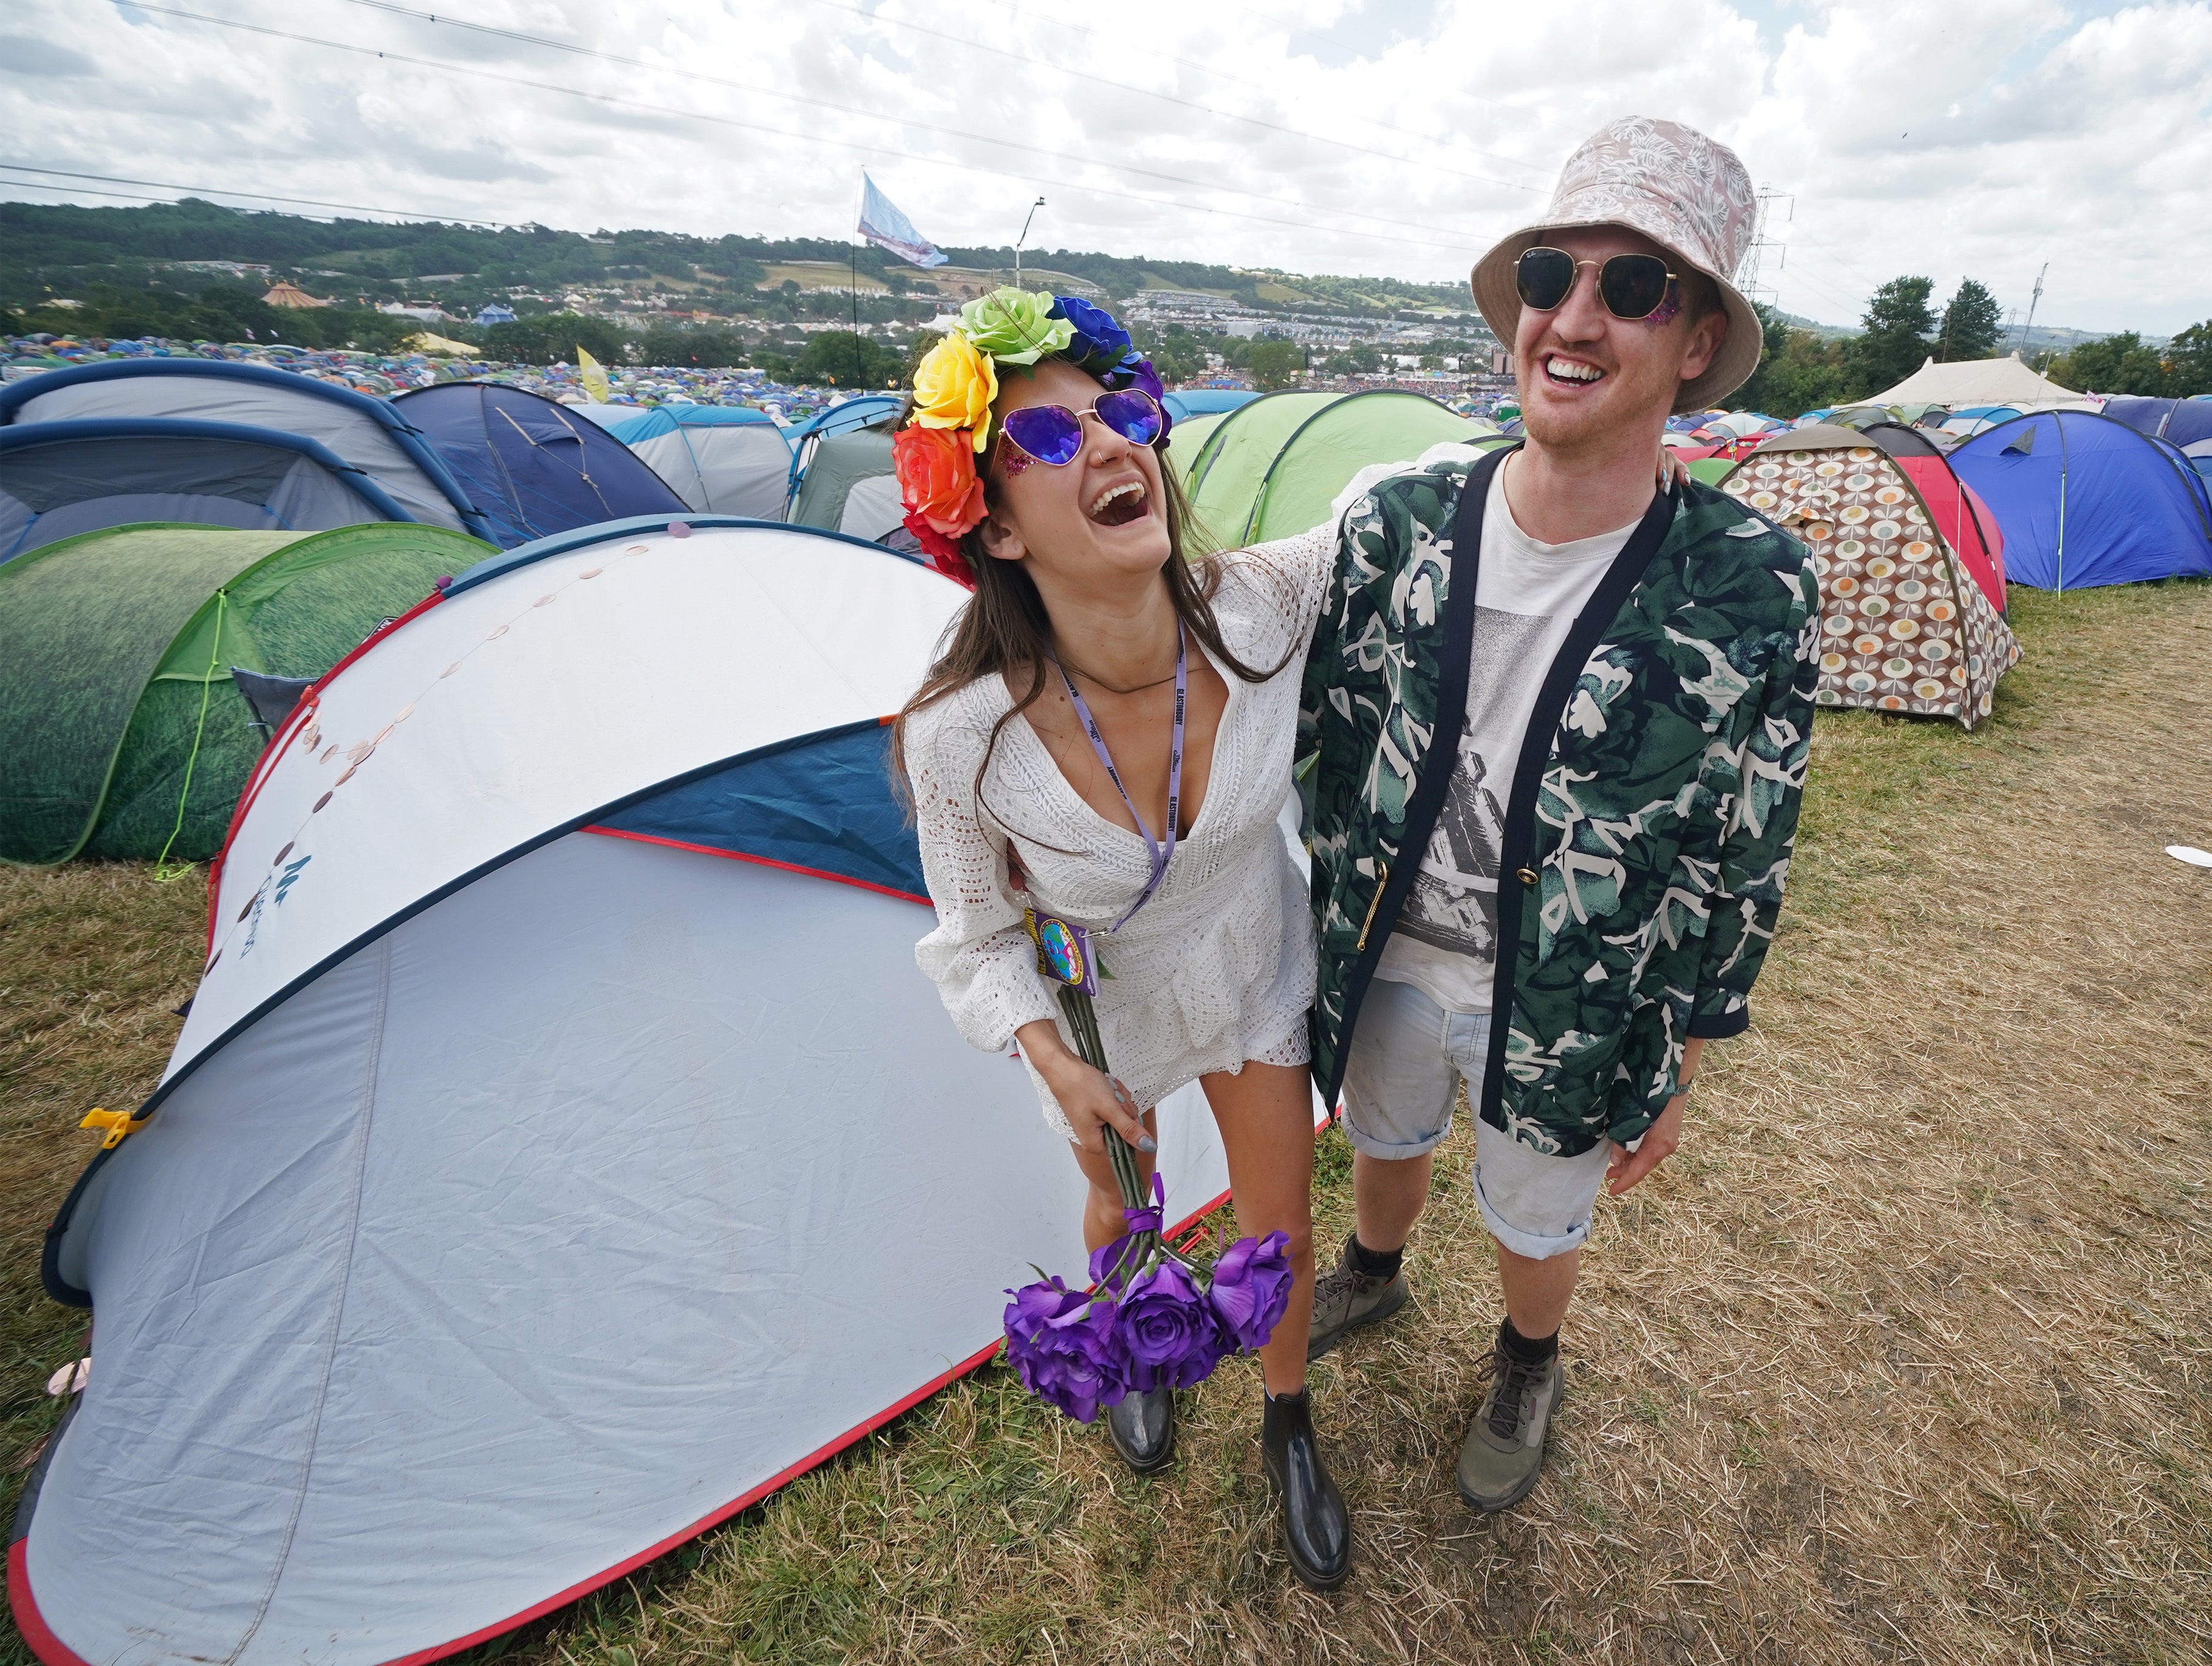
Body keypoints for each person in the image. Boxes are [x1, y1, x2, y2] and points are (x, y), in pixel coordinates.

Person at [1296, 116, 1822, 1514]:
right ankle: (1373, 1270)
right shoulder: (1397, 520)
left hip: (1580, 989)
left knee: (1539, 1212)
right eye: (1550, 276)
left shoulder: (1750, 581)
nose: (1575, 317)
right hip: (1395, 952)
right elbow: (1327, 745)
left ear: (1696, 338)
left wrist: (1691, 1044)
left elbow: (1748, 837)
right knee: (1385, 1136)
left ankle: (1529, 1357)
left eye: (1632, 287)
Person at [894, 289, 1351, 1588]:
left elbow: (1390, 502)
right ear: (988, 522)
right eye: (1046, 439)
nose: (1110, 447)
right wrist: (1054, 1061)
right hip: (1105, 1013)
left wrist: (1569, 429)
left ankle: (1285, 1418)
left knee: (1277, 1230)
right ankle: (1128, 1339)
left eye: (1122, 415)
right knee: (1121, 1204)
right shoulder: (960, 739)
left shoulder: (1257, 611)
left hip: (1251, 962)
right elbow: (976, 940)